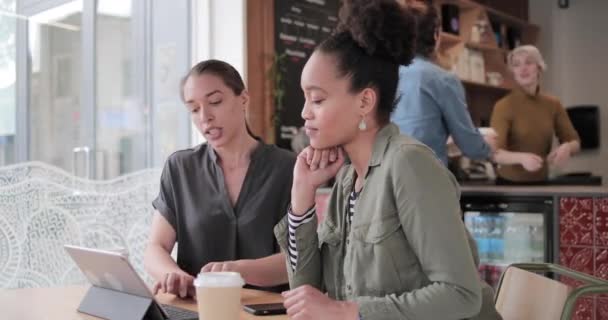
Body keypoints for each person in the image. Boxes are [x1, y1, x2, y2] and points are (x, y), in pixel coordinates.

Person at [274, 1, 500, 319]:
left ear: (365, 101)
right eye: (305, 98)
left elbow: (461, 295)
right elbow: (306, 289)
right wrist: (301, 196)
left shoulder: (409, 164)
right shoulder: (347, 179)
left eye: (318, 99)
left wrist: (346, 311)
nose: (304, 113)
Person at [144, 59, 295, 298]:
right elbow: (156, 247)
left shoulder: (288, 168)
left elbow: (297, 261)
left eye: (215, 102)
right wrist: (171, 274)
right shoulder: (181, 168)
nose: (205, 117)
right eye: (194, 109)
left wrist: (238, 271)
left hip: (264, 312)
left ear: (243, 99)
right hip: (196, 309)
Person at [390, 1, 495, 166]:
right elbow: (470, 146)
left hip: (382, 180)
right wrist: (488, 148)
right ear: (436, 35)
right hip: (424, 179)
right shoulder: (443, 80)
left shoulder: (381, 75)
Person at [490, 45, 580, 183]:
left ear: (539, 67)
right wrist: (520, 158)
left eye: (528, 62)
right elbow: (494, 153)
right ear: (513, 71)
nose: (523, 68)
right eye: (517, 65)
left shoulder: (553, 104)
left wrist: (567, 147)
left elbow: (575, 142)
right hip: (509, 187)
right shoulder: (503, 106)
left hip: (542, 184)